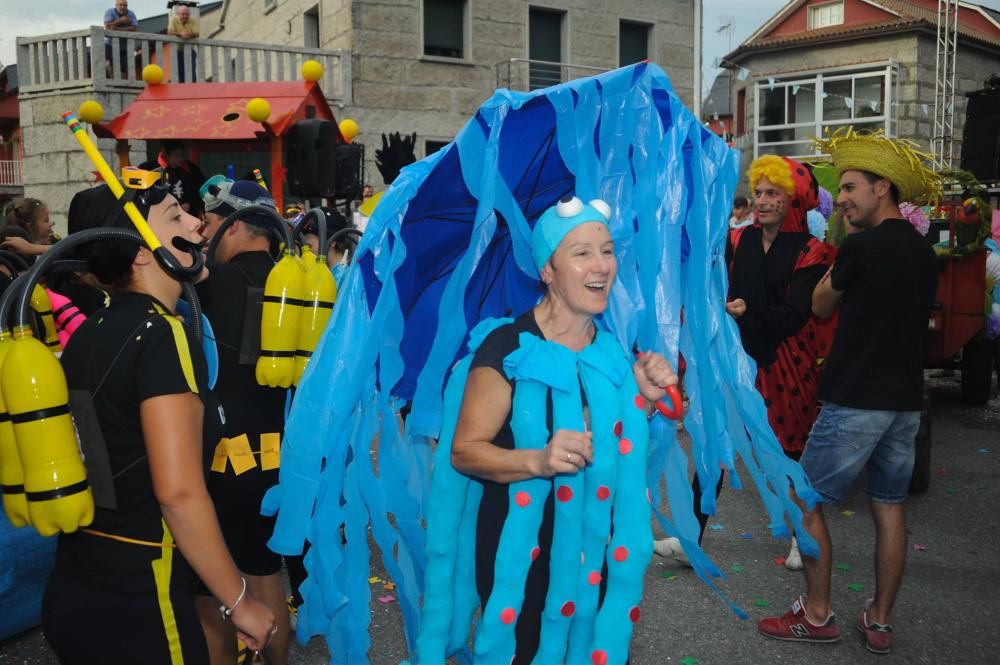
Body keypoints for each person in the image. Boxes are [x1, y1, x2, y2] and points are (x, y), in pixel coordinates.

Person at [41, 173, 276, 664]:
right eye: (175, 215)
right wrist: (240, 602)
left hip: (80, 580)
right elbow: (179, 493)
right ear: (141, 250)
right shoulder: (162, 333)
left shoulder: (90, 330)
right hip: (143, 600)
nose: (196, 224)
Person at [448, 196, 678, 663]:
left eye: (608, 250)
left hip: (597, 547)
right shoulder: (507, 347)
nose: (602, 265)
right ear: (547, 270)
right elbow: (465, 451)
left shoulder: (614, 351)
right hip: (524, 550)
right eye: (582, 253)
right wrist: (536, 459)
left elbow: (608, 439)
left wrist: (643, 405)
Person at [758, 129, 940, 655]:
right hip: (906, 400)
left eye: (852, 188)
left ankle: (816, 614)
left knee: (803, 497)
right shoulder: (923, 252)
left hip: (857, 396)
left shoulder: (860, 247)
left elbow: (818, 305)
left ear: (882, 188)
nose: (841, 199)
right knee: (888, 505)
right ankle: (879, 620)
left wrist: (839, 259)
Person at [196, 179, 291, 665]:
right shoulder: (298, 282)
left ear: (235, 226)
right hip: (284, 458)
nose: (205, 231)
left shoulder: (212, 284)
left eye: (210, 222)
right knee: (265, 574)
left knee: (211, 589)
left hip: (222, 460)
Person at [140, 141, 206, 215]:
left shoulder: (191, 170)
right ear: (167, 156)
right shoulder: (153, 169)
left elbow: (202, 193)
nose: (180, 158)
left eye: (181, 154)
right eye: (176, 155)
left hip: (188, 215)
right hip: (164, 214)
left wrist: (191, 205)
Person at [103, 0, 138, 78]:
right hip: (110, 44)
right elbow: (108, 28)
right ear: (116, 5)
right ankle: (112, 81)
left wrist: (116, 28)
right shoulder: (110, 12)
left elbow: (134, 29)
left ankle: (121, 85)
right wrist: (121, 21)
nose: (123, 7)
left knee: (124, 67)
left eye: (125, 5)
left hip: (125, 45)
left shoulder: (131, 13)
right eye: (120, 5)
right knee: (112, 63)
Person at [167, 4, 199, 82]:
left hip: (189, 50)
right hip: (178, 50)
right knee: (179, 71)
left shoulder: (192, 20)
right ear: (178, 14)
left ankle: (192, 88)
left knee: (191, 71)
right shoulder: (174, 20)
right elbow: (170, 32)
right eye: (183, 14)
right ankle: (180, 88)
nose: (185, 16)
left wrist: (189, 34)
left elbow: (196, 33)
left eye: (187, 14)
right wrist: (181, 34)